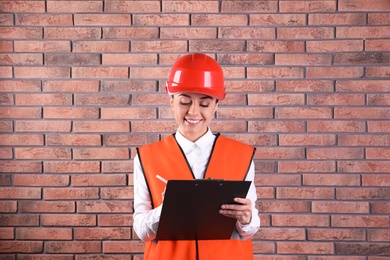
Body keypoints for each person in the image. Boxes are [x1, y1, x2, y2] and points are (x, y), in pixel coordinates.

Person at [133, 53, 260, 260]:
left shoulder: (242, 156)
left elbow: (248, 230)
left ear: (217, 104)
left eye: (204, 104)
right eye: (184, 101)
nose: (193, 112)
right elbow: (141, 231)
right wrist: (166, 210)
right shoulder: (146, 157)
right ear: (171, 100)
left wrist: (247, 219)